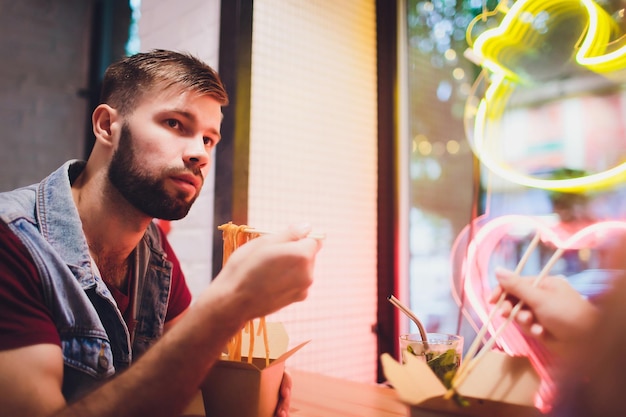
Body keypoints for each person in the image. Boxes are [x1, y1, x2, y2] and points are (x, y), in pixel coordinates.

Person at [0, 49, 322, 417]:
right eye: (174, 123)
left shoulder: (154, 251)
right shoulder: (12, 241)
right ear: (107, 126)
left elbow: (186, 389)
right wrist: (228, 305)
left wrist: (246, 390)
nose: (199, 153)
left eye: (208, 139)